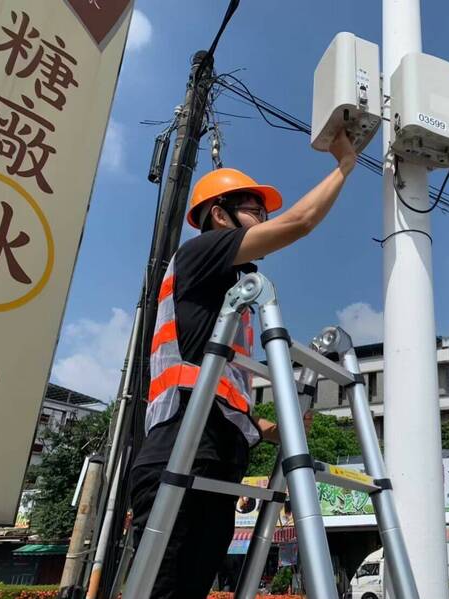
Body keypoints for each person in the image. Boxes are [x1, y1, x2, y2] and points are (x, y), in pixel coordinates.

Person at [131, 129, 358, 598]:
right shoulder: (199, 253)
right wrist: (344, 166)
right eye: (255, 210)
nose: (264, 218)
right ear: (219, 214)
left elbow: (215, 385)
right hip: (180, 447)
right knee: (165, 588)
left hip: (215, 453)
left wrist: (269, 427)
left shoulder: (232, 297)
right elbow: (300, 221)